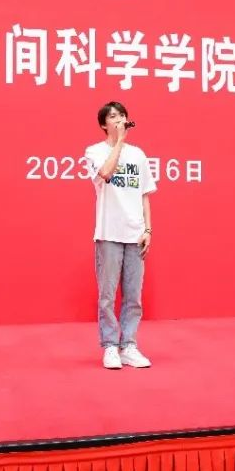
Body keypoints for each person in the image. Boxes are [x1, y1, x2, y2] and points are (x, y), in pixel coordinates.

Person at [84, 101, 157, 369]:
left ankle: (129, 345)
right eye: (113, 117)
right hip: (109, 233)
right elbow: (105, 173)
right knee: (107, 295)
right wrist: (119, 142)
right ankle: (110, 346)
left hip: (135, 233)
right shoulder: (94, 151)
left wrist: (148, 229)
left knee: (133, 295)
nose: (119, 120)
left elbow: (145, 194)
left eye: (122, 116)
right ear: (104, 124)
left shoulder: (138, 155)